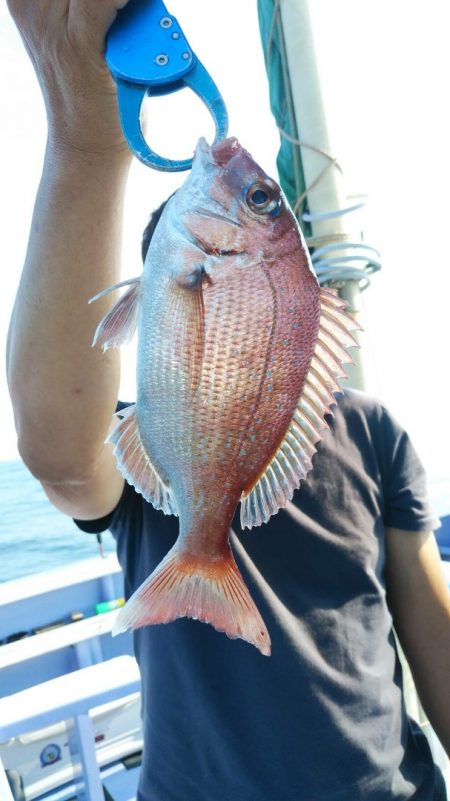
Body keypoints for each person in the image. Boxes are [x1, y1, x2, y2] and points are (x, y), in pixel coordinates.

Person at [5, 2, 450, 800]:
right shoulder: (134, 451)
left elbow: (432, 632)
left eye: (261, 209)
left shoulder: (373, 429)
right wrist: (83, 137)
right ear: (147, 311)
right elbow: (59, 457)